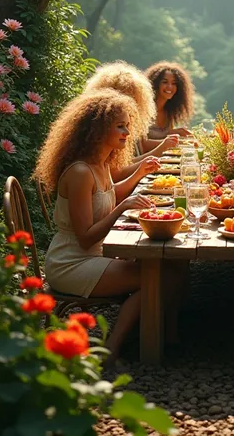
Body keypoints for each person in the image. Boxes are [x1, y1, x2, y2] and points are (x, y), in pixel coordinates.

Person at [34, 89, 154, 362]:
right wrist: (123, 208)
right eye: (120, 125)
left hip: (93, 255)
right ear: (98, 130)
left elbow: (109, 198)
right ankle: (114, 346)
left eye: (127, 125)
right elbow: (86, 237)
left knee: (168, 269)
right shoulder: (79, 173)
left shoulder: (101, 163)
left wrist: (140, 173)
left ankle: (146, 328)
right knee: (159, 277)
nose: (127, 132)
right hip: (71, 262)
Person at [84, 61, 180, 175]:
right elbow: (116, 175)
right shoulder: (109, 131)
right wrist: (161, 148)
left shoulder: (127, 126)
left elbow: (128, 163)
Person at [140, 61, 195, 153]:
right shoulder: (143, 110)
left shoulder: (169, 111)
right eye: (165, 82)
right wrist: (174, 142)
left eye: (174, 83)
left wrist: (174, 133)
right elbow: (143, 146)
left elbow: (161, 138)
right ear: (155, 84)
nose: (170, 87)